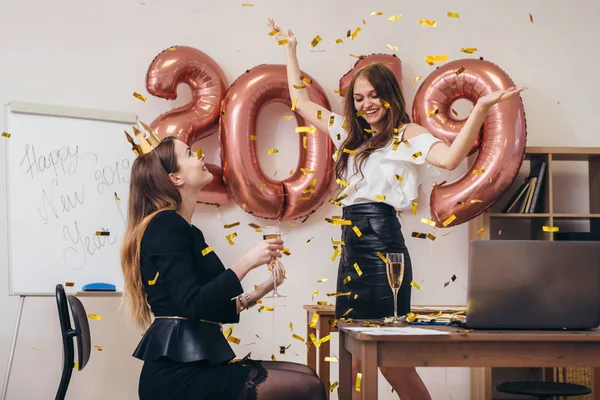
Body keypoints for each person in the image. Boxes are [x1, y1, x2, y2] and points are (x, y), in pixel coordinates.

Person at [268, 18, 526, 400]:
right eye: (359, 98)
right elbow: (301, 102)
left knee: (388, 359)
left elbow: (454, 157)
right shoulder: (349, 135)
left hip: (383, 245)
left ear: (389, 95)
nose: (366, 104)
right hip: (351, 248)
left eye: (373, 95)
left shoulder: (409, 135)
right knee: (354, 359)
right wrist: (290, 50)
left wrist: (482, 109)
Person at [120, 134, 327, 400]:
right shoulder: (165, 224)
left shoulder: (187, 230)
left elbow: (208, 308)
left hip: (197, 365)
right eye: (190, 154)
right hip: (179, 378)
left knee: (308, 375)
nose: (201, 156)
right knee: (310, 388)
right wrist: (247, 262)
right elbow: (192, 303)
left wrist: (261, 291)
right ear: (176, 178)